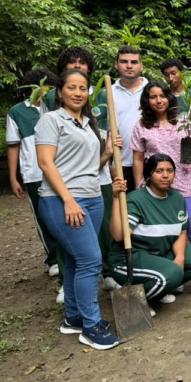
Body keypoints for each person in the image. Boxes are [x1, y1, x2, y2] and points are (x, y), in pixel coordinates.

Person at [35, 69, 120, 350]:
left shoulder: (86, 124)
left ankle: (73, 317)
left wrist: (107, 153)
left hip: (92, 198)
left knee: (75, 261)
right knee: (90, 261)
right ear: (60, 92)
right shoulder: (51, 120)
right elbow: (46, 164)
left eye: (83, 88)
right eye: (71, 87)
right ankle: (91, 326)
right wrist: (69, 200)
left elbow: (86, 168)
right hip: (63, 202)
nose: (77, 93)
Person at [130, 81, 191, 292]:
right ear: (147, 101)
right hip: (156, 189)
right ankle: (174, 275)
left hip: (184, 183)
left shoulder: (182, 121)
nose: (158, 100)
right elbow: (138, 158)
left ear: (169, 98)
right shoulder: (141, 126)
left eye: (162, 95)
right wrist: (139, 185)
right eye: (153, 97)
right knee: (164, 234)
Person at [44, 46, 120, 298]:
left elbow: (98, 144)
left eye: (82, 63)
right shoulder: (52, 108)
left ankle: (108, 273)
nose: (77, 66)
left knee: (102, 232)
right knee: (74, 240)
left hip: (97, 179)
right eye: (71, 63)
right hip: (66, 185)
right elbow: (48, 156)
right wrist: (67, 198)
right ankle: (70, 284)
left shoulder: (100, 98)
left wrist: (109, 154)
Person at [108, 155, 191, 316]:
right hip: (129, 259)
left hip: (160, 253)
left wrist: (179, 258)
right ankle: (138, 301)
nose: (165, 175)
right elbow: (119, 236)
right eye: (159, 171)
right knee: (173, 273)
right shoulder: (136, 199)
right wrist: (116, 199)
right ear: (149, 175)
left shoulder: (177, 198)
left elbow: (182, 232)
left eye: (170, 171)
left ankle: (160, 287)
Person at [8, 70, 61, 278]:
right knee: (43, 217)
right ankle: (54, 258)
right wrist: (13, 177)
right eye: (44, 86)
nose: (47, 91)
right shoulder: (16, 112)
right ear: (32, 89)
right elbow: (13, 145)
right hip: (33, 174)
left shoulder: (56, 109)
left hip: (59, 171)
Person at [111, 45, 148, 193]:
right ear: (116, 65)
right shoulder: (108, 92)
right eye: (124, 61)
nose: (129, 66)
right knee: (124, 210)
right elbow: (103, 131)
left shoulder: (152, 90)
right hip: (121, 163)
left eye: (133, 62)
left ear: (141, 66)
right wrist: (110, 164)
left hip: (151, 161)